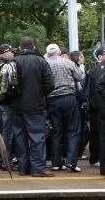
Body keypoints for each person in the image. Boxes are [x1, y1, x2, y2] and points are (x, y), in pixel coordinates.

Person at [13, 37, 55, 177]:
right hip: (36, 105)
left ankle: (23, 168)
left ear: (20, 48)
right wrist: (40, 94)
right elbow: (50, 84)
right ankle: (37, 169)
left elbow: (7, 84)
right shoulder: (41, 62)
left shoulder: (14, 62)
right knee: (37, 137)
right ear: (34, 46)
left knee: (20, 137)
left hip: (17, 105)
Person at [45, 43, 83, 172]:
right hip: (69, 98)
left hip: (52, 100)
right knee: (73, 130)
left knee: (56, 131)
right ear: (59, 52)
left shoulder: (45, 64)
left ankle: (56, 163)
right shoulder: (67, 62)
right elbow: (79, 76)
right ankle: (71, 161)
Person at [0, 44, 17, 170]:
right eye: (11, 52)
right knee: (7, 134)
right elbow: (11, 83)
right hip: (6, 103)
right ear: (5, 52)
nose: (13, 54)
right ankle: (6, 161)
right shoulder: (7, 65)